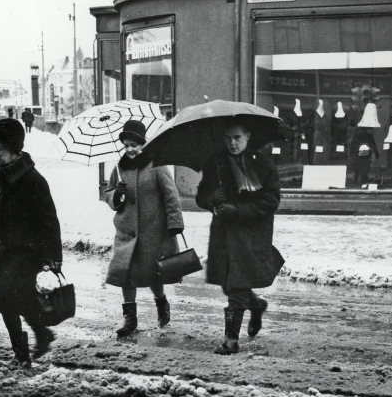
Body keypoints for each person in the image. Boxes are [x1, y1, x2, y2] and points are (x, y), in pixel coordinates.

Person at [0, 118, 62, 367]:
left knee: (7, 294)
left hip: (27, 252)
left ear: (13, 148)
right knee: (5, 300)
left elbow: (49, 221)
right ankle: (29, 345)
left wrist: (52, 257)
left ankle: (30, 345)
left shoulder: (33, 180)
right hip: (0, 249)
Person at [196, 118, 285, 355]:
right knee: (228, 285)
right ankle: (256, 306)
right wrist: (213, 198)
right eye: (228, 138)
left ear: (247, 136)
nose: (232, 143)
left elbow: (271, 200)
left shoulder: (263, 164)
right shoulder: (215, 163)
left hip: (251, 235)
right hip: (223, 235)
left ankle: (230, 341)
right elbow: (201, 197)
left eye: (237, 137)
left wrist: (238, 210)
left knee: (237, 287)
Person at [104, 119, 184, 336]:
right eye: (126, 145)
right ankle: (130, 321)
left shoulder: (157, 164)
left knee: (153, 275)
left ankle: (161, 302)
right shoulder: (119, 168)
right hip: (126, 232)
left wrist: (175, 223)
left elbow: (171, 196)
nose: (129, 149)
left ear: (143, 144)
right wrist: (116, 194)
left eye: (134, 145)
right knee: (125, 273)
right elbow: (108, 193)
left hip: (153, 232)